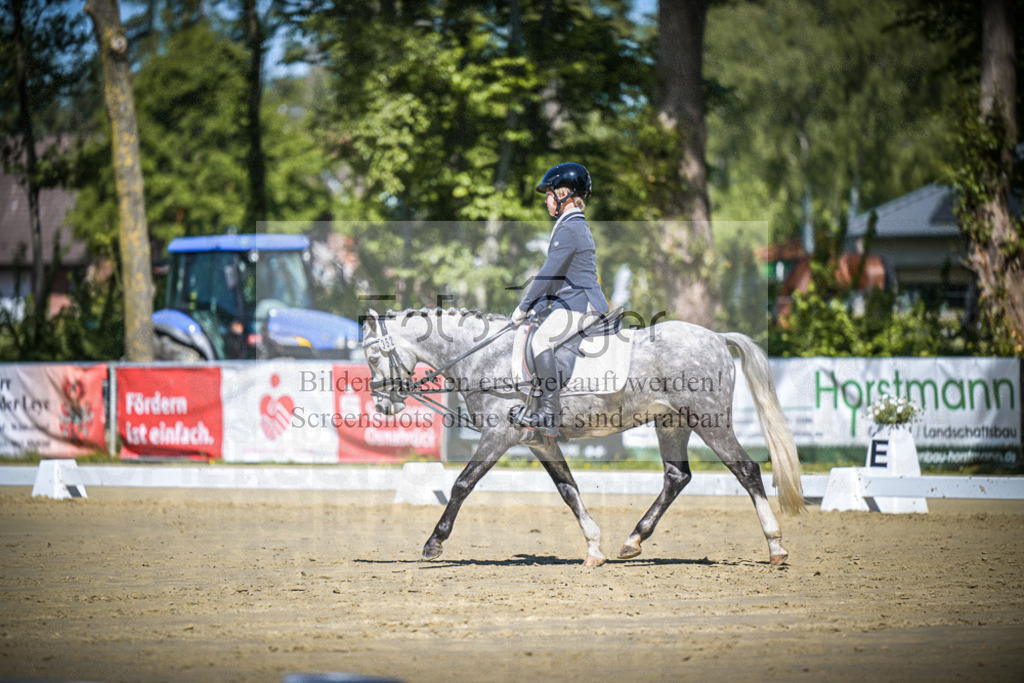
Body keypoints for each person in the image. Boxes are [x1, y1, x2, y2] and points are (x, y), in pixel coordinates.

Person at [511, 162, 610, 438]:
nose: (546, 201)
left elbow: (548, 273)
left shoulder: (571, 227)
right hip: (572, 300)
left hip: (582, 304)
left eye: (549, 194)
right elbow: (557, 280)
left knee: (542, 340)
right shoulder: (570, 225)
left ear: (564, 194)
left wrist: (522, 307)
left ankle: (550, 414)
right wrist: (537, 308)